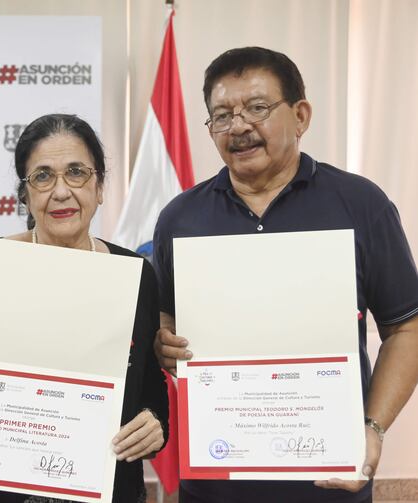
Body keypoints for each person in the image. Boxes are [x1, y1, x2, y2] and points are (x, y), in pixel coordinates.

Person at [153, 46, 418, 503]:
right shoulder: (180, 218)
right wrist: (164, 344)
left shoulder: (361, 205)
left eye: (257, 108)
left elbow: (406, 328)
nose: (238, 126)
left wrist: (372, 429)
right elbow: (165, 323)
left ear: (300, 116)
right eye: (221, 115)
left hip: (329, 478)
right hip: (216, 479)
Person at [0, 114, 169, 502]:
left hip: (105, 488)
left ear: (100, 187)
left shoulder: (136, 274)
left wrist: (155, 422)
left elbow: (149, 384)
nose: (61, 191)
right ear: (25, 195)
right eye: (43, 176)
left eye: (76, 172)